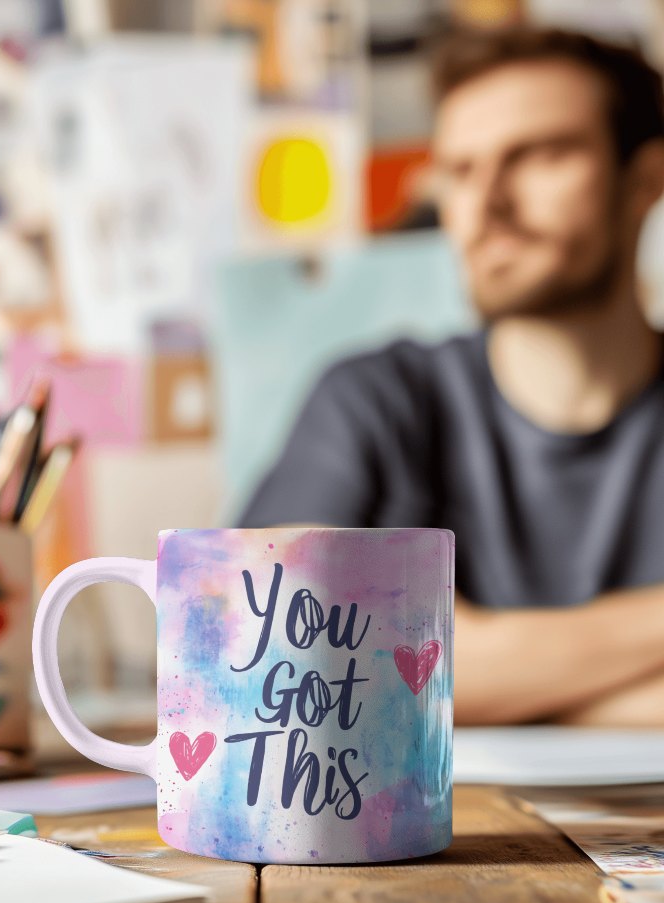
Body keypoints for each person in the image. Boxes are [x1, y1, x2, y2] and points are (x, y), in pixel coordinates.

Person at [238, 28, 664, 727]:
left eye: (538, 156)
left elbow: (369, 678)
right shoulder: (373, 402)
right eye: (461, 171)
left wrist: (480, 684)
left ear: (645, 178)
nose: (487, 204)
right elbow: (268, 657)